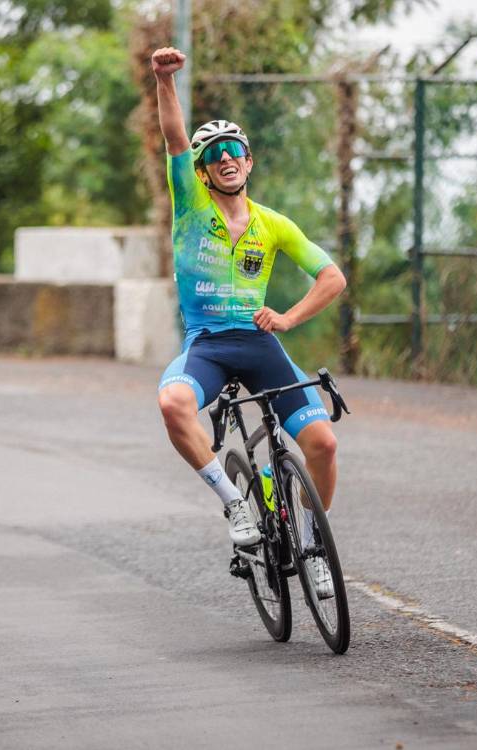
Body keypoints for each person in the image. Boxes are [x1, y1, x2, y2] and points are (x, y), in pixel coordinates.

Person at [150, 47, 347, 598]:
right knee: (172, 404)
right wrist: (164, 80)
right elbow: (172, 138)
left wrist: (287, 317)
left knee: (324, 445)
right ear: (203, 170)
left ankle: (312, 538)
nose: (226, 158)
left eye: (234, 149)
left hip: (260, 346)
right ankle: (235, 503)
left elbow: (332, 278)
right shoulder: (191, 207)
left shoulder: (273, 224)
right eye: (214, 154)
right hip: (208, 347)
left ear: (249, 160)